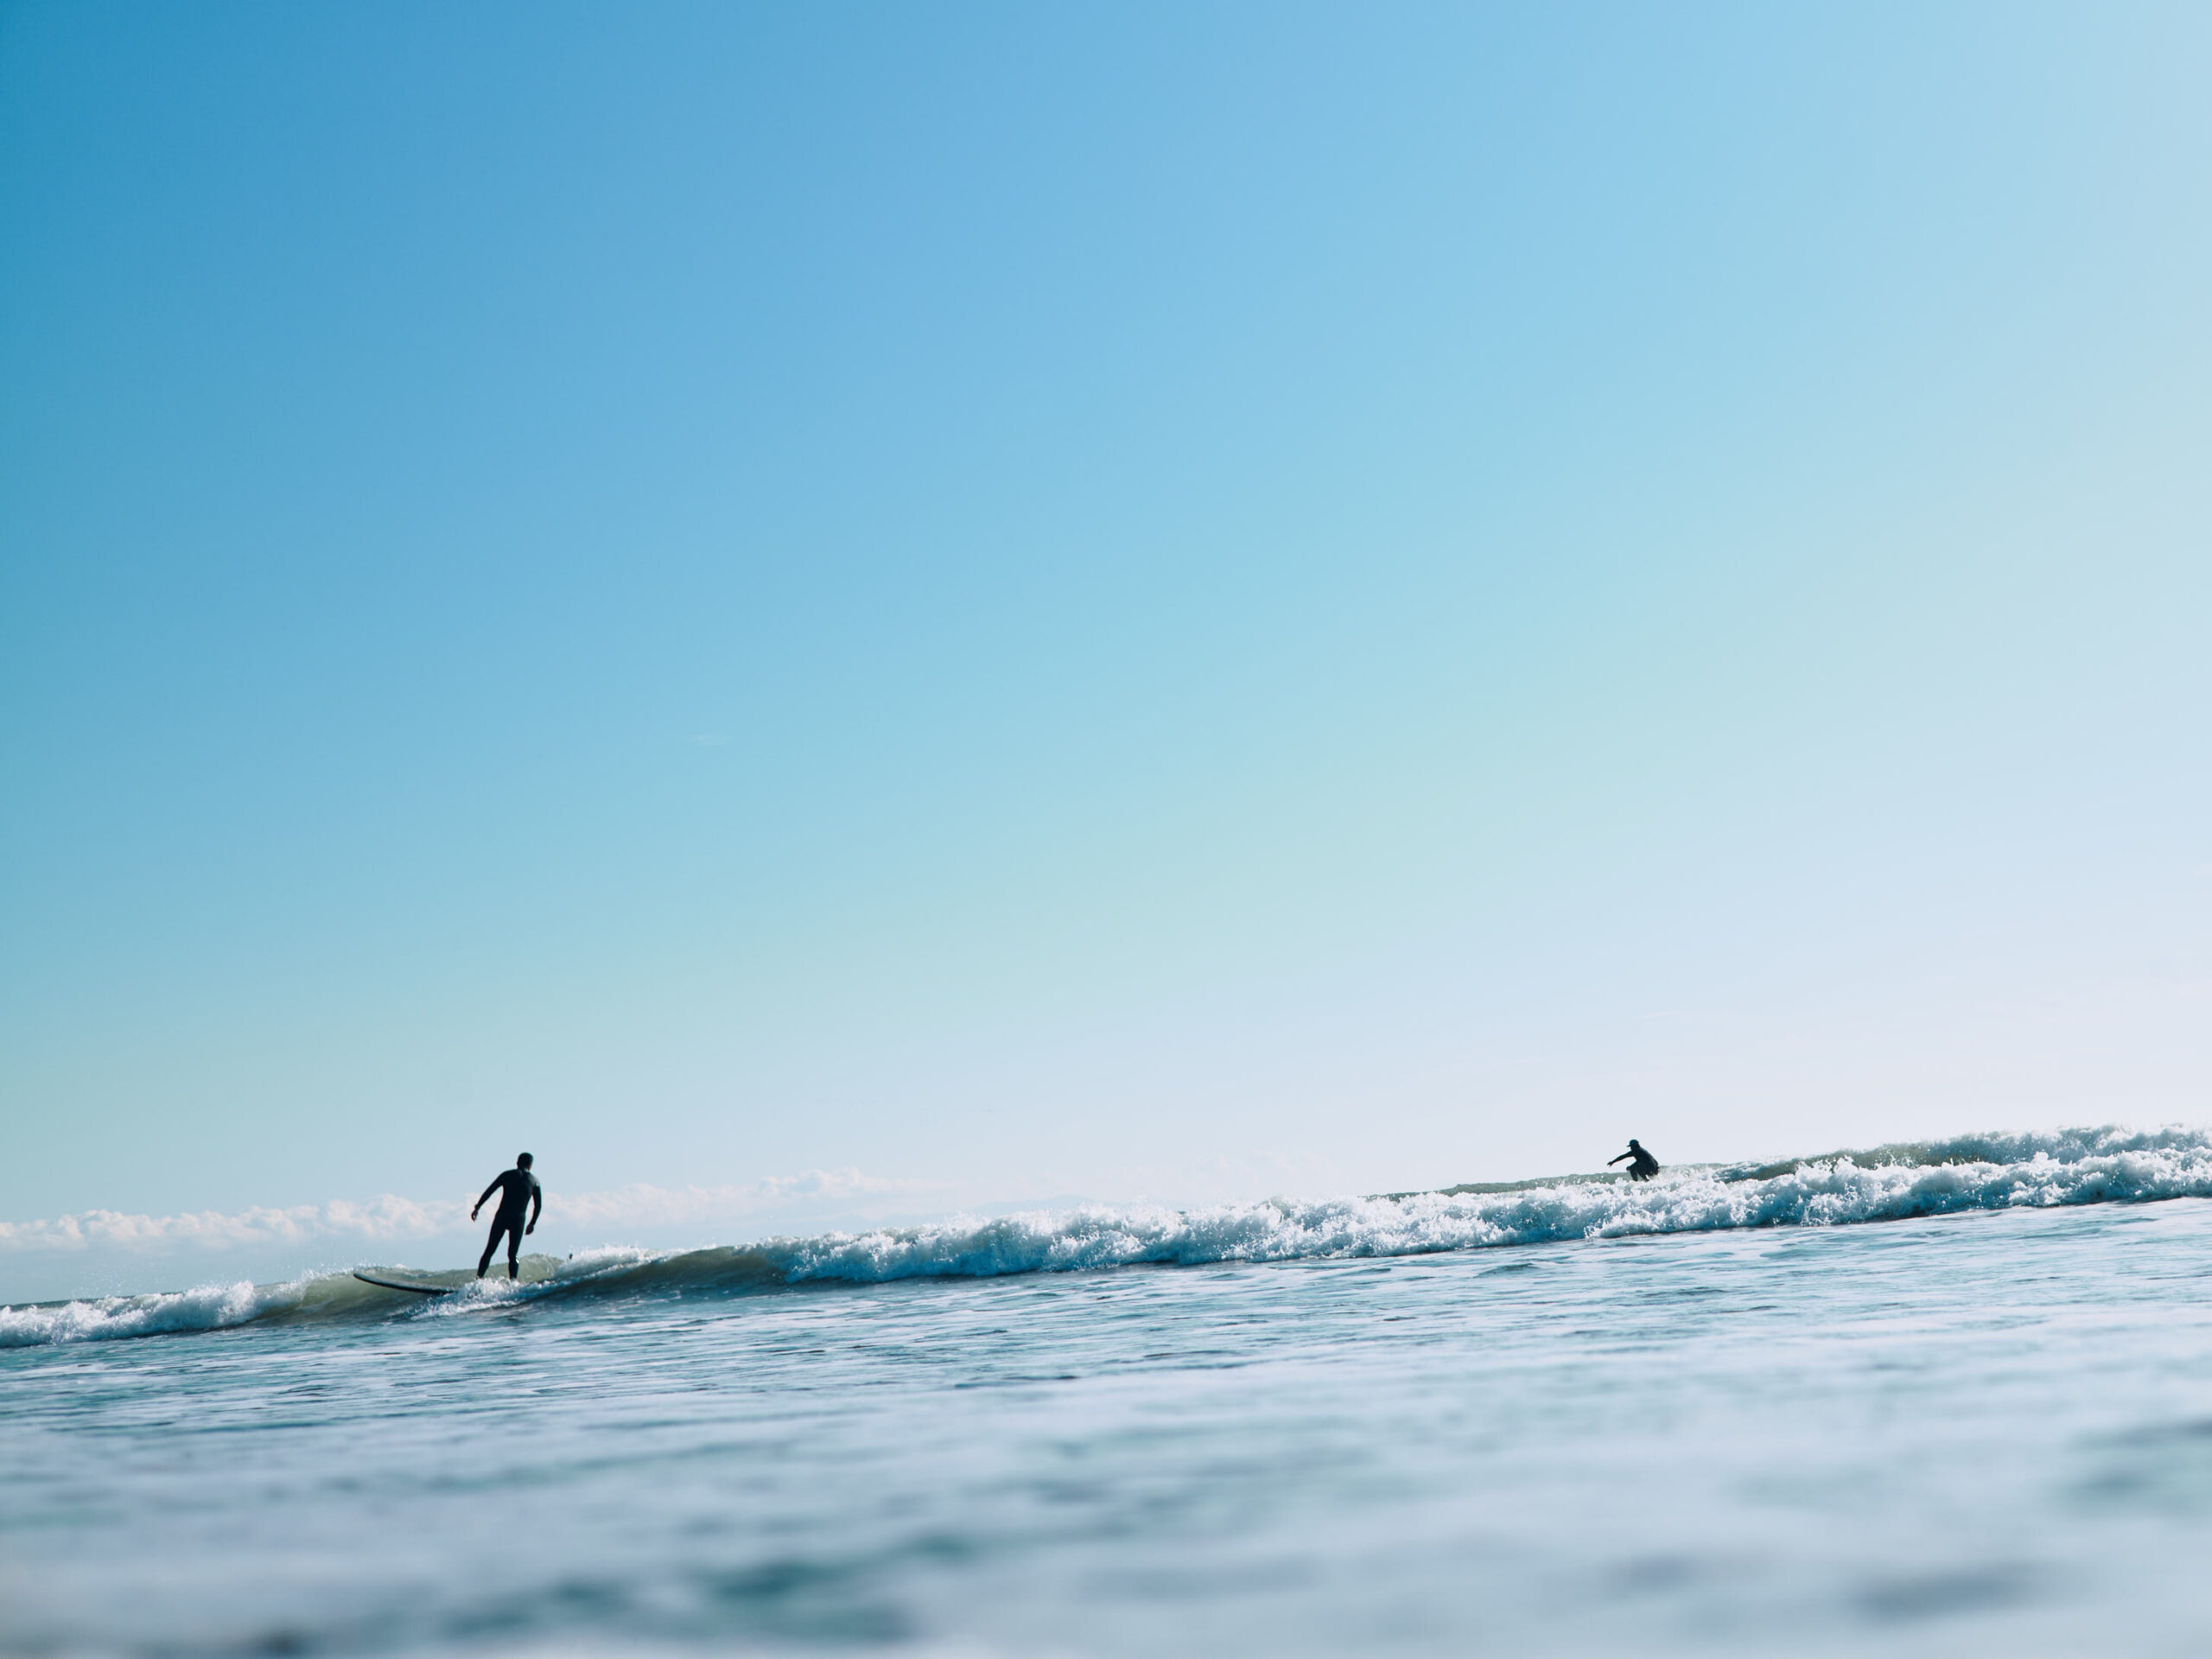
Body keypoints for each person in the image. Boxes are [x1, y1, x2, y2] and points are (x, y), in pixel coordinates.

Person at [473, 1154, 543, 1279]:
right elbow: (538, 1206)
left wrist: (478, 1207)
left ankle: (478, 1280)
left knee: (489, 1250)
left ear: (517, 1163)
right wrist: (533, 1223)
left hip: (502, 1216)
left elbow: (490, 1190)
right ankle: (513, 1284)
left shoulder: (507, 1175)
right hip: (519, 1219)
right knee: (513, 1254)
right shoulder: (535, 1181)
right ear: (530, 1165)